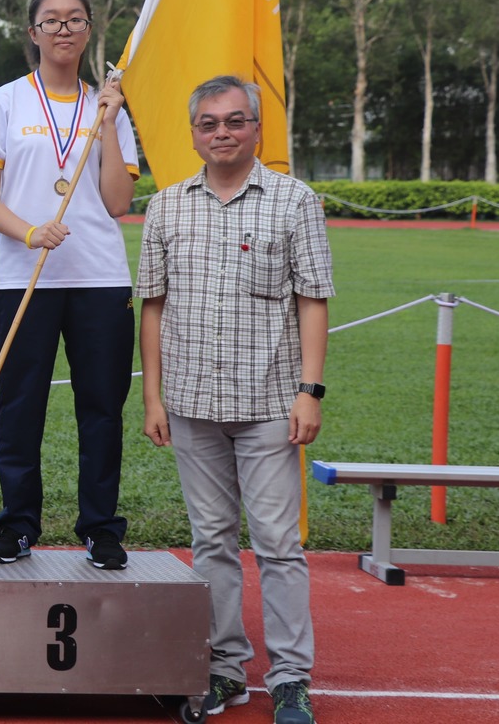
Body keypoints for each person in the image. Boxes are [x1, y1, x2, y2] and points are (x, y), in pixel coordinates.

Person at [137, 74, 334, 724]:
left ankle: (291, 679)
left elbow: (312, 298)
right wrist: (154, 398)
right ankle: (224, 668)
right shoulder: (166, 206)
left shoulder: (294, 201)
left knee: (277, 544)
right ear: (194, 133)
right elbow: (153, 306)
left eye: (234, 120)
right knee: (212, 541)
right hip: (191, 403)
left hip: (270, 404)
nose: (221, 132)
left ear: (256, 128)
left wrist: (309, 391)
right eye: (209, 123)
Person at [0, 0, 139, 569]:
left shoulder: (109, 108)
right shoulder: (5, 102)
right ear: (33, 33)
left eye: (75, 20)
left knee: (102, 408)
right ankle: (17, 525)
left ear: (89, 31)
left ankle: (101, 529)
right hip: (23, 278)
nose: (63, 29)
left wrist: (109, 123)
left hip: (99, 278)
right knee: (20, 407)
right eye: (51, 20)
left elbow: (117, 202)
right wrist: (29, 232)